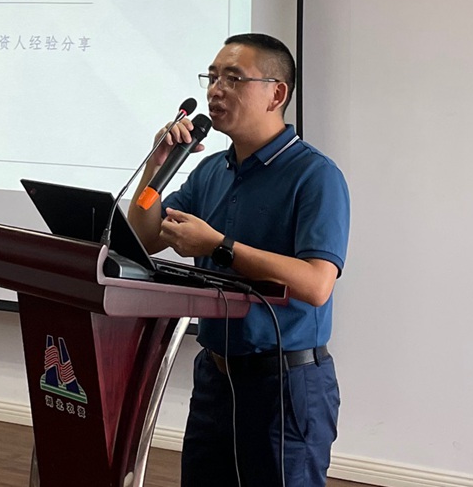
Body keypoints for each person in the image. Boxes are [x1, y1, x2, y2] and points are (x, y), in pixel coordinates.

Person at [127, 33, 350, 487]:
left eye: (232, 78)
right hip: (216, 376)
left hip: (285, 385)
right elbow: (143, 237)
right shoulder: (212, 170)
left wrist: (219, 245)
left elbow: (316, 284)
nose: (216, 90)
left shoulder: (315, 175)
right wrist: (158, 165)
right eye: (211, 78)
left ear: (276, 94)